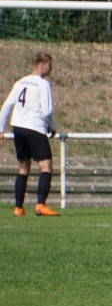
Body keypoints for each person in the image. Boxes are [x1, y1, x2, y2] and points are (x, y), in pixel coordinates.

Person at [0, 52, 59, 216]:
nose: (51, 68)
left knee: (24, 166)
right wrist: (52, 127)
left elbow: (6, 107)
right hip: (34, 127)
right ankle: (40, 205)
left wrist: (0, 129)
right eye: (50, 65)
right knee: (46, 166)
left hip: (18, 127)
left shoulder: (20, 82)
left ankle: (18, 208)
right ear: (43, 64)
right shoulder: (43, 84)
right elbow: (47, 111)